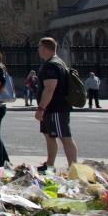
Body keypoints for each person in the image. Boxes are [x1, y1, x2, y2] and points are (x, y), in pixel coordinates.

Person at [35, 37, 78, 172]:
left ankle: (73, 168)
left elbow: (49, 88)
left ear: (45, 48)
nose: (38, 50)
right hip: (52, 108)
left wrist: (41, 108)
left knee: (65, 137)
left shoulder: (51, 65)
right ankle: (49, 164)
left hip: (55, 108)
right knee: (49, 135)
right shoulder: (58, 62)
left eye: (39, 47)